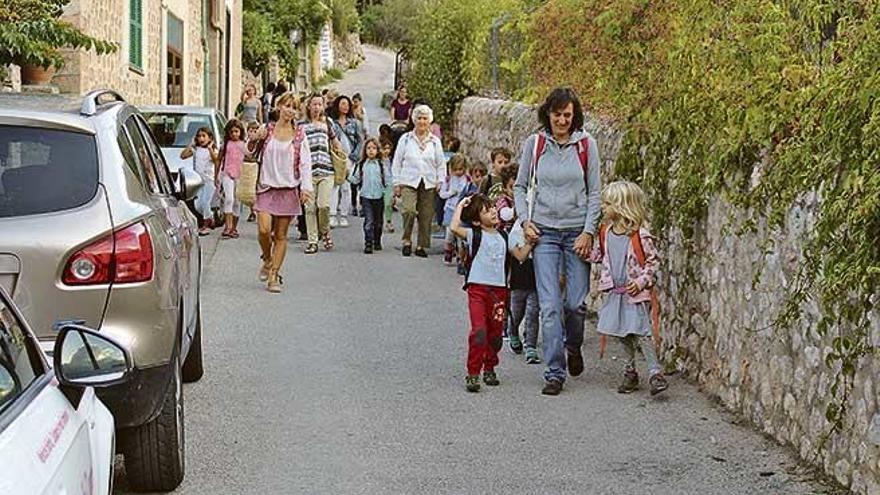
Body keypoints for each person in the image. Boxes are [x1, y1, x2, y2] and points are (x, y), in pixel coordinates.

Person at [513, 87, 601, 396]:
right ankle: (554, 372)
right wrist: (526, 221)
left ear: (574, 116)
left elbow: (595, 193)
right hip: (545, 233)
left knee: (575, 304)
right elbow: (520, 186)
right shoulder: (535, 145)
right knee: (549, 306)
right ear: (547, 114)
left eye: (567, 115)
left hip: (576, 233)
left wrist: (589, 231)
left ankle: (573, 345)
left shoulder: (587, 146)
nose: (562, 120)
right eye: (557, 114)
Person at [593, 181, 667, 395]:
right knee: (622, 333)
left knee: (642, 332)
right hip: (615, 292)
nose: (603, 207)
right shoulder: (605, 232)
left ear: (621, 205)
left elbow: (653, 262)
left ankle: (655, 373)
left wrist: (641, 282)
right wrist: (583, 252)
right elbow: (601, 255)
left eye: (607, 203)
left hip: (634, 293)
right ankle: (630, 371)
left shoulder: (639, 235)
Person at [450, 194, 523, 393]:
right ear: (476, 220)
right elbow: (455, 228)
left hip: (499, 291)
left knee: (495, 333)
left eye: (492, 208)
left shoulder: (504, 237)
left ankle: (490, 366)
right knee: (479, 330)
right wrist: (460, 205)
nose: (492, 211)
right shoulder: (475, 234)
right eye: (486, 210)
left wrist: (532, 241)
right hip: (477, 289)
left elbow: (520, 254)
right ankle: (473, 371)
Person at [248, 93, 313, 293]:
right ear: (279, 107)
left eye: (293, 107)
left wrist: (306, 187)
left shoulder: (300, 135)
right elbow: (250, 152)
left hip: (287, 188)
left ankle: (274, 274)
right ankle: (267, 259)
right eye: (287, 105)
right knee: (264, 230)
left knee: (282, 235)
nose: (289, 110)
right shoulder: (266, 130)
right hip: (267, 187)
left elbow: (305, 162)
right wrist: (253, 139)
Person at [392, 104, 446, 258]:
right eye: (419, 118)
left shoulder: (435, 141)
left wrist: (440, 181)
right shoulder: (406, 139)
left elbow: (441, 163)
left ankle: (421, 245)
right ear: (414, 120)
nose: (422, 121)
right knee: (408, 210)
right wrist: (396, 182)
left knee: (426, 214)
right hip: (408, 180)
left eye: (425, 118)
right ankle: (407, 240)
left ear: (429, 121)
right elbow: (397, 161)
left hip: (428, 181)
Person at [300, 94, 340, 254]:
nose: (317, 107)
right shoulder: (300, 125)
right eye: (314, 104)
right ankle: (312, 241)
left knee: (323, 205)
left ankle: (325, 231)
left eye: (319, 104)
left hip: (326, 170)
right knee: (309, 208)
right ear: (308, 106)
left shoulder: (328, 123)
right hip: (308, 173)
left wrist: (338, 149)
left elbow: (336, 143)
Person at [328, 95, 364, 228]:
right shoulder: (332, 122)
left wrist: (355, 156)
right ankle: (332, 215)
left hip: (349, 158)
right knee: (334, 186)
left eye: (347, 104)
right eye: (342, 104)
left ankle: (343, 215)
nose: (345, 107)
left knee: (346, 187)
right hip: (336, 157)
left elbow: (360, 140)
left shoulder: (354, 123)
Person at [348, 138, 386, 253]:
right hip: (366, 197)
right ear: (365, 150)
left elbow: (388, 179)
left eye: (374, 148)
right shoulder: (361, 165)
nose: (371, 151)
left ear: (378, 150)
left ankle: (377, 239)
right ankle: (368, 242)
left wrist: (391, 192)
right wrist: (346, 175)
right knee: (368, 221)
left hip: (379, 196)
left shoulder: (381, 164)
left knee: (378, 222)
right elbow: (355, 179)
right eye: (369, 148)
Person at [180, 127, 219, 236]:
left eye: (204, 136)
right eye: (199, 136)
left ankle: (206, 225)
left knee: (205, 203)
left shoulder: (213, 150)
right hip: (199, 181)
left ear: (210, 138)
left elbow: (216, 160)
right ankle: (210, 217)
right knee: (198, 205)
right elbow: (183, 156)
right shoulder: (196, 149)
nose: (201, 138)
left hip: (209, 180)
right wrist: (190, 145)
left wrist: (211, 148)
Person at [217, 119, 248, 238]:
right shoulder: (225, 145)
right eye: (232, 132)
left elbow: (250, 156)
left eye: (237, 131)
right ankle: (228, 226)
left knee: (237, 201)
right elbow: (219, 159)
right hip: (227, 174)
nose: (234, 134)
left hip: (240, 175)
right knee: (229, 198)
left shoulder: (243, 145)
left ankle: (234, 227)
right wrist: (216, 175)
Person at [439, 154, 471, 265]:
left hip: (461, 209)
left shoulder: (466, 180)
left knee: (459, 235)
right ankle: (448, 250)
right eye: (455, 169)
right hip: (450, 208)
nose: (458, 172)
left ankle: (459, 255)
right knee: (449, 233)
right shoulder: (448, 180)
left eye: (461, 169)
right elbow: (442, 194)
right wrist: (450, 193)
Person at [380, 138, 396, 234]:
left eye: (388, 148)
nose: (386, 151)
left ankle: (389, 221)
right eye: (384, 148)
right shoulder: (377, 160)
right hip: (379, 185)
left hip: (389, 184)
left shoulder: (391, 160)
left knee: (388, 203)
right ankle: (379, 222)